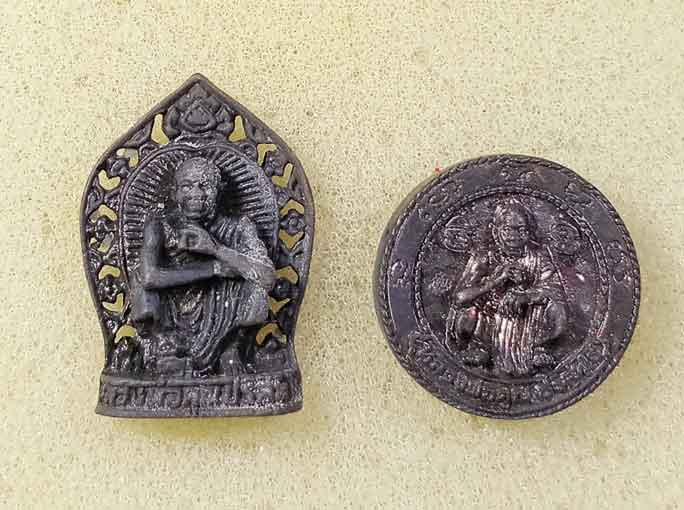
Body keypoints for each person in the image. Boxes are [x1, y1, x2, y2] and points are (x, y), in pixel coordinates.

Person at [130, 156, 275, 375]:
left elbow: (268, 277)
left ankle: (232, 347)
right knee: (138, 276)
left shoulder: (239, 226)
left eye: (205, 185)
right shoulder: (159, 226)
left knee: (255, 282)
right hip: (172, 312)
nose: (196, 194)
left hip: (222, 310)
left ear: (219, 191)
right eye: (187, 186)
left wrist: (216, 248)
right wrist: (213, 269)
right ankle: (161, 348)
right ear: (174, 193)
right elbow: (149, 277)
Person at [445, 199, 567, 376]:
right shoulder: (484, 257)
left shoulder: (539, 258)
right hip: (489, 319)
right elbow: (459, 298)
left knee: (556, 305)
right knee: (468, 310)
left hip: (528, 318)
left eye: (521, 230)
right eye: (508, 229)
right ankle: (479, 347)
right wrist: (495, 281)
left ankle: (541, 349)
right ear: (496, 231)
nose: (514, 236)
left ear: (529, 232)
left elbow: (554, 290)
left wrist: (527, 295)